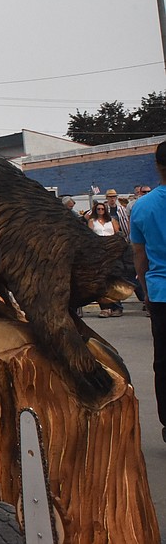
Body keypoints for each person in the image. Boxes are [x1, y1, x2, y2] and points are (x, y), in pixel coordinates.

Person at [128, 141, 166, 445]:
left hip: (160, 292)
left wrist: (144, 286)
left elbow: (139, 256)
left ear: (157, 167)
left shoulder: (142, 206)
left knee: (163, 361)